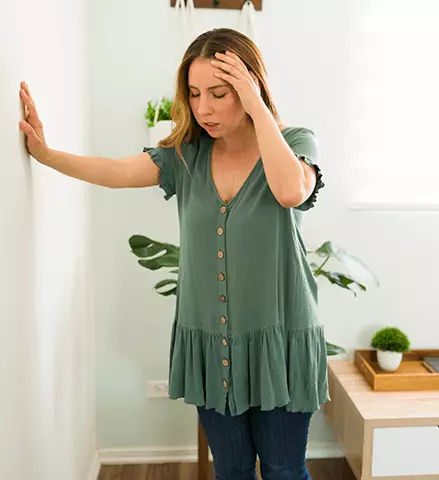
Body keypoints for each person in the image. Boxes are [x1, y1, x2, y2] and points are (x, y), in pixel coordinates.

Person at [19, 27, 329, 480]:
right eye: (195, 92)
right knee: (231, 470)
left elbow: (289, 191)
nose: (203, 107)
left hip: (278, 344)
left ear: (250, 86)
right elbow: (116, 171)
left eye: (219, 93)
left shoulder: (296, 142)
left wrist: (259, 108)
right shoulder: (186, 155)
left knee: (284, 469)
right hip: (211, 345)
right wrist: (47, 156)